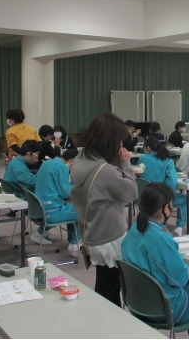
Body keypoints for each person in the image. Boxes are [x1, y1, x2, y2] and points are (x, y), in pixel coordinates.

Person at [122, 183, 189, 339]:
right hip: (165, 307)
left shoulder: (133, 230)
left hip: (137, 302)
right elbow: (181, 278)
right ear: (166, 209)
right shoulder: (159, 239)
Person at [71, 112, 138, 307]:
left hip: (92, 230)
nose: (121, 144)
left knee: (106, 286)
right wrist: (125, 163)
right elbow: (131, 193)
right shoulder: (105, 171)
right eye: (119, 140)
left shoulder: (81, 158)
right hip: (110, 237)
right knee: (109, 289)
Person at [138, 136, 187, 237]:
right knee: (185, 199)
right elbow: (172, 182)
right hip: (158, 198)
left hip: (141, 197)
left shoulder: (141, 158)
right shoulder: (167, 161)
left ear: (148, 148)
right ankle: (179, 227)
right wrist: (169, 199)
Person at [34, 149, 80, 255]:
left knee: (71, 208)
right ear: (72, 161)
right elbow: (66, 192)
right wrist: (78, 187)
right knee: (83, 211)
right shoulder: (61, 167)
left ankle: (40, 232)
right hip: (52, 211)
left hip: (39, 209)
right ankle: (74, 245)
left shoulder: (48, 162)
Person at [3, 140, 42, 242]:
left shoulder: (16, 161)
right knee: (50, 201)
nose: (37, 158)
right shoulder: (18, 165)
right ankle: (41, 231)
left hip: (15, 192)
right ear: (29, 154)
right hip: (19, 196)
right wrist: (42, 173)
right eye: (36, 155)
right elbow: (30, 182)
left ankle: (42, 231)